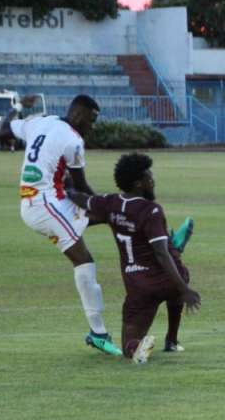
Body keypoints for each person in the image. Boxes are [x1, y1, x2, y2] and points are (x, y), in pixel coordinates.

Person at [0, 94, 122, 356]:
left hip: (43, 202)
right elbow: (82, 186)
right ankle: (98, 334)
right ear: (79, 114)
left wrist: (16, 108)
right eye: (92, 119)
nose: (93, 126)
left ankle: (152, 236)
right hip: (45, 205)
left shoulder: (40, 122)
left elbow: (1, 131)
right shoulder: (73, 140)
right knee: (84, 260)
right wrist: (103, 203)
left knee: (110, 217)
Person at [66, 153, 201, 363]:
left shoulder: (109, 202)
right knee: (175, 271)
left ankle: (136, 348)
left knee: (128, 344)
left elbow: (84, 200)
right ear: (139, 184)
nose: (152, 180)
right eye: (149, 177)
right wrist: (185, 289)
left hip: (138, 286)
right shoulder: (151, 210)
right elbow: (160, 253)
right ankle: (172, 340)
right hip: (164, 278)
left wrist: (67, 188)